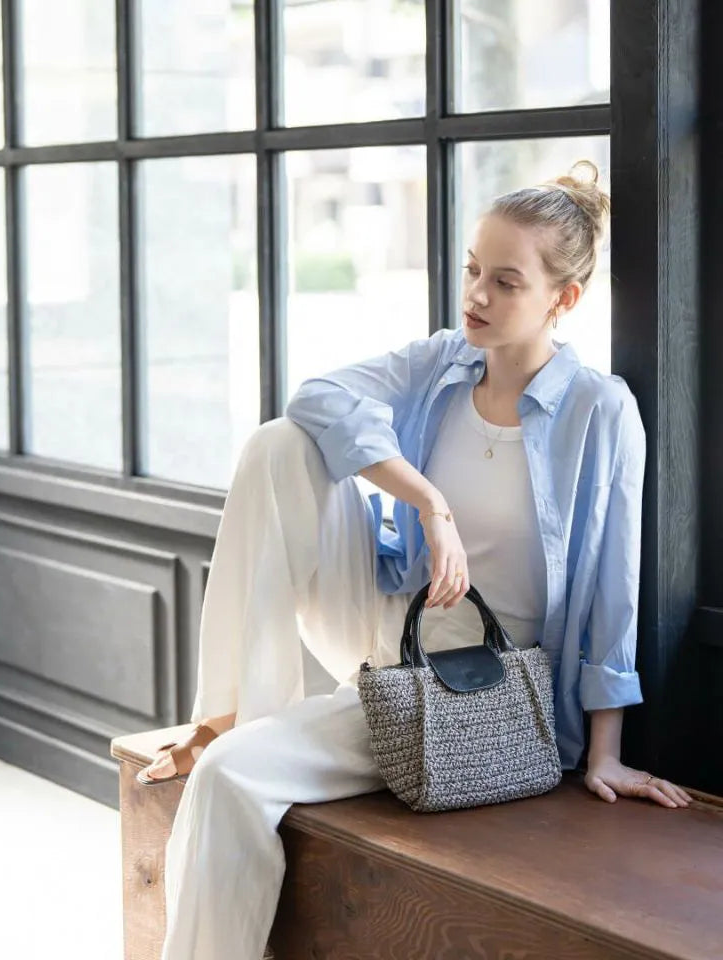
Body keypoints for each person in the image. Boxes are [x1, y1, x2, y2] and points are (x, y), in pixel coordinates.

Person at [140, 159, 693, 960]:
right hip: (388, 623)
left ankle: (236, 747)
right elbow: (317, 398)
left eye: (505, 282)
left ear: (563, 300)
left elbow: (617, 586)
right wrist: (430, 503)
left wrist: (604, 752)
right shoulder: (443, 363)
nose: (476, 296)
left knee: (229, 779)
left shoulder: (599, 410)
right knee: (279, 445)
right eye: (473, 270)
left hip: (482, 682)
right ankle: (227, 716)